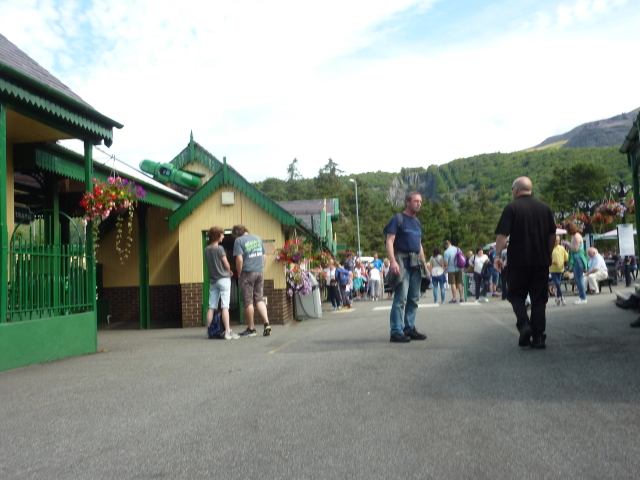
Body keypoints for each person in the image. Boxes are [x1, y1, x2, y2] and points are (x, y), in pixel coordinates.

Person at [494, 176, 556, 349]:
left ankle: (524, 325)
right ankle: (539, 337)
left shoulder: (512, 207)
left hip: (518, 261)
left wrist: (497, 256)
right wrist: (548, 253)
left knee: (515, 295)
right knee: (539, 299)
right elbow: (552, 235)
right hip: (541, 261)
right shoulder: (545, 208)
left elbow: (502, 236)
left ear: (516, 190)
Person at [384, 192, 429, 343]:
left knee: (414, 298)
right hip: (402, 262)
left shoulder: (417, 222)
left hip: (416, 264)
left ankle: (409, 328)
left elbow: (419, 245)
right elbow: (389, 241)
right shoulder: (398, 219)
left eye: (420, 201)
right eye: (416, 201)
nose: (419, 204)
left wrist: (424, 263)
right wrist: (393, 261)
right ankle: (396, 331)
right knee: (401, 298)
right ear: (407, 202)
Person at [232, 225, 271, 337]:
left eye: (234, 236)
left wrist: (239, 273)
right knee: (259, 298)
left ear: (236, 234)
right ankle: (267, 324)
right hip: (259, 271)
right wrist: (260, 267)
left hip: (247, 273)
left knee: (248, 301)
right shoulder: (257, 238)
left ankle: (251, 328)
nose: (235, 238)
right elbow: (264, 256)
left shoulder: (239, 241)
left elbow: (239, 259)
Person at [204, 226, 239, 340]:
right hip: (223, 279)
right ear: (217, 236)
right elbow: (226, 264)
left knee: (211, 306)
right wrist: (229, 270)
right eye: (222, 234)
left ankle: (209, 331)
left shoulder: (206, 249)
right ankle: (227, 331)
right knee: (225, 306)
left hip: (213, 280)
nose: (223, 236)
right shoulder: (220, 249)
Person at [562, 222, 588, 305]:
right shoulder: (574, 236)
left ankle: (583, 298)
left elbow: (576, 249)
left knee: (579, 279)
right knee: (577, 279)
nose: (566, 232)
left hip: (579, 259)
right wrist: (568, 244)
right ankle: (581, 297)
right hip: (576, 260)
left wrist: (567, 244)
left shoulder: (576, 236)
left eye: (567, 230)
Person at [549, 235, 568, 306]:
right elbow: (546, 257)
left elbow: (566, 257)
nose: (557, 242)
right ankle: (562, 297)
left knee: (558, 283)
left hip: (560, 269)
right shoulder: (549, 248)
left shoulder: (561, 248)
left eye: (558, 241)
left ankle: (558, 299)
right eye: (556, 241)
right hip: (552, 269)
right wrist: (552, 261)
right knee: (557, 283)